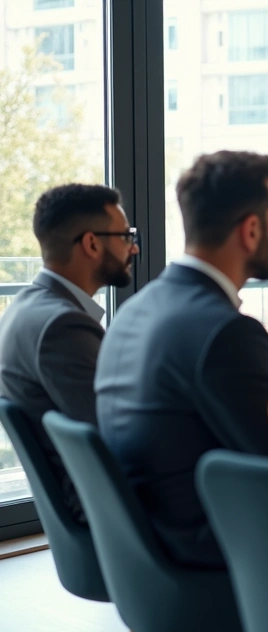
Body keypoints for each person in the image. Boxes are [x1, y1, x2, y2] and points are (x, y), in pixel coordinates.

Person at [95, 151, 268, 568]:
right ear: (251, 230)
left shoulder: (136, 310)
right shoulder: (226, 332)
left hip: (142, 552)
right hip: (209, 555)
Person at [0, 184, 138, 523]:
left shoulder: (23, 308)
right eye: (126, 236)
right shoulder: (63, 326)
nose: (133, 248)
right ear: (91, 243)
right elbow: (116, 440)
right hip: (109, 513)